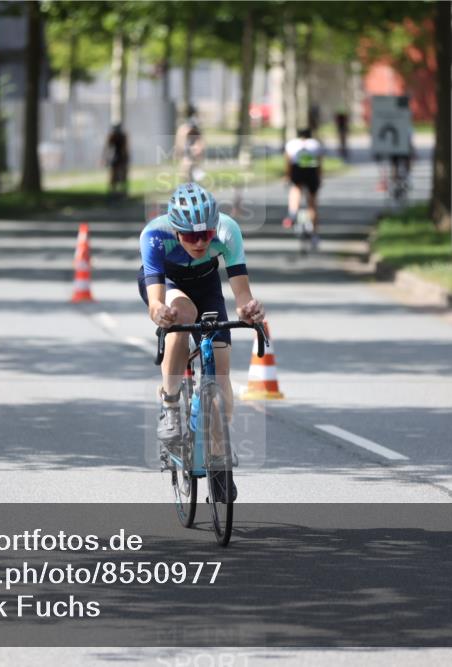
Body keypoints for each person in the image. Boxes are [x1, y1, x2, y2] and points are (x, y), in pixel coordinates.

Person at [138, 182, 265, 501]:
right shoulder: (155, 235)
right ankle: (169, 404)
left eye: (205, 235)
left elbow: (242, 293)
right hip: (167, 283)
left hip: (206, 284)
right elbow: (155, 301)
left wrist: (248, 309)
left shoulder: (227, 230)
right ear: (175, 230)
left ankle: (220, 464)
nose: (199, 242)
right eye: (190, 236)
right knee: (182, 314)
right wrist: (159, 312)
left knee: (220, 374)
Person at [283, 127, 324, 248]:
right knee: (312, 202)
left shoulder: (292, 144)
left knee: (295, 189)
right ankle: (315, 234)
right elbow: (320, 162)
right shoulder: (315, 144)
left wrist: (287, 176)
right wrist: (320, 177)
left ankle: (292, 213)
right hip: (312, 170)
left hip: (297, 169)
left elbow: (288, 162)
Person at [174, 106, 206, 182]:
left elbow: (179, 142)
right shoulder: (189, 127)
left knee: (189, 175)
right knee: (189, 175)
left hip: (190, 156)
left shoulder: (184, 127)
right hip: (189, 156)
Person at [103, 123, 130, 199]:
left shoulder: (122, 136)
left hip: (120, 158)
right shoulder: (113, 136)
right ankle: (114, 192)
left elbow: (125, 148)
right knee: (114, 176)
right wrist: (105, 158)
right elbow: (108, 148)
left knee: (121, 175)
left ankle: (121, 192)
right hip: (115, 158)